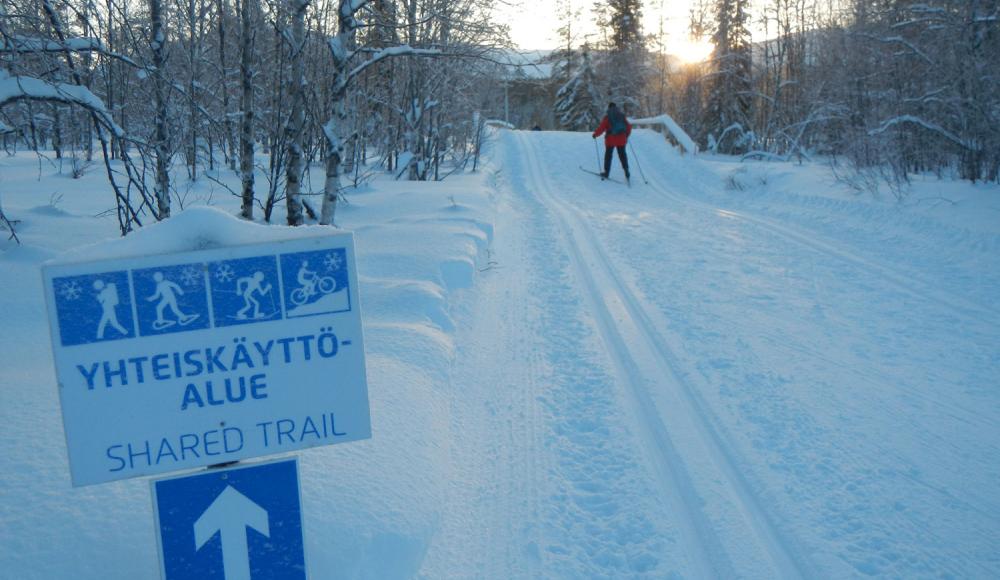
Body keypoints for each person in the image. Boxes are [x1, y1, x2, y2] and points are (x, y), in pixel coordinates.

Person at [592, 102, 632, 181]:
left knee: (608, 156)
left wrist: (595, 134)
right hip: (621, 139)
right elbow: (629, 127)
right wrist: (626, 135)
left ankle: (606, 173)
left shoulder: (608, 117)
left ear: (609, 108)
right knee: (622, 155)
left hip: (611, 140)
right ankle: (626, 170)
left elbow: (602, 128)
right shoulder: (622, 116)